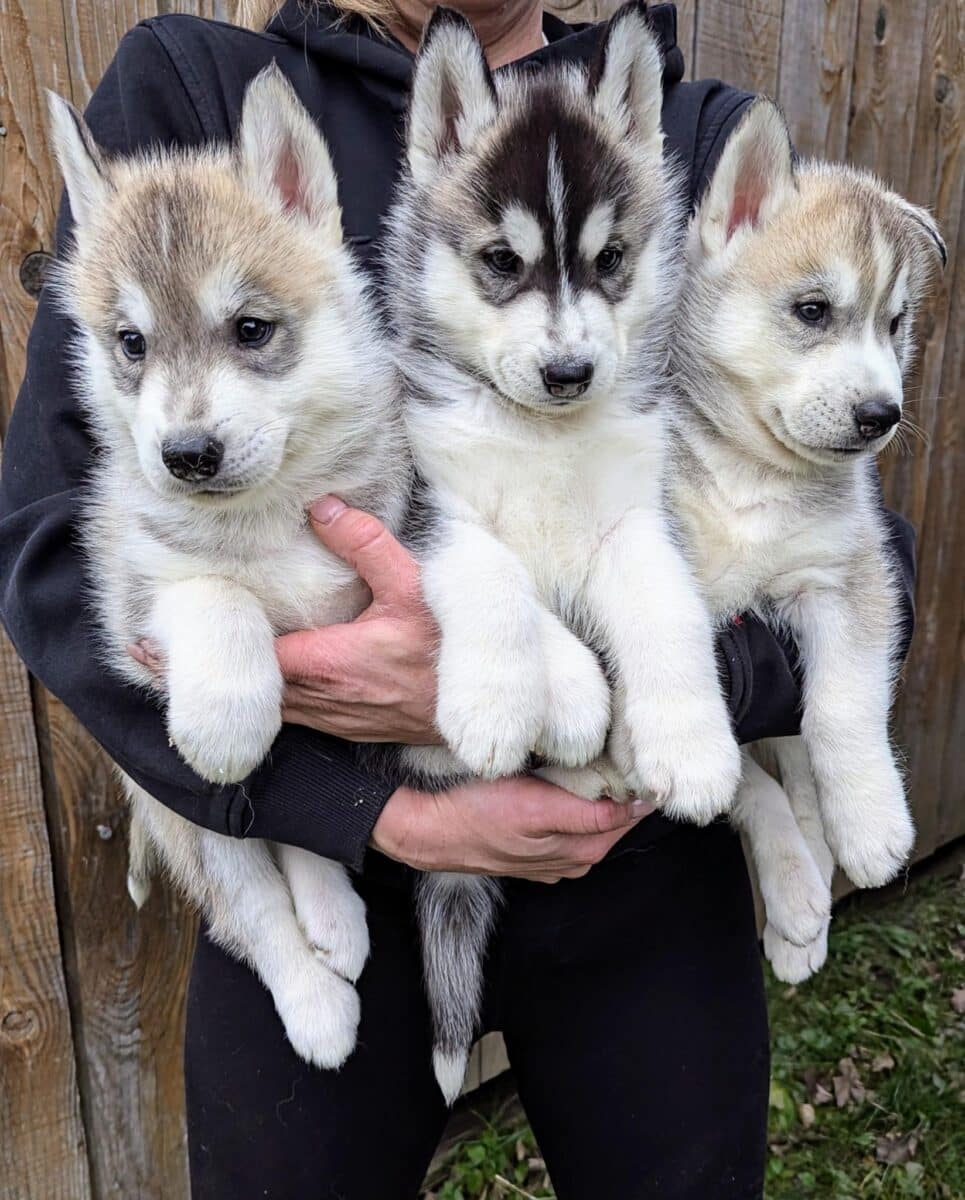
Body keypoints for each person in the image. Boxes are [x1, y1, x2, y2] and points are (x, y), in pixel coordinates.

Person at [0, 2, 916, 1197]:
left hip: (638, 852)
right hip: (324, 845)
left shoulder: (678, 129)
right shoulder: (200, 89)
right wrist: (374, 809)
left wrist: (671, 695)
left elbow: (843, 530)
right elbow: (54, 551)